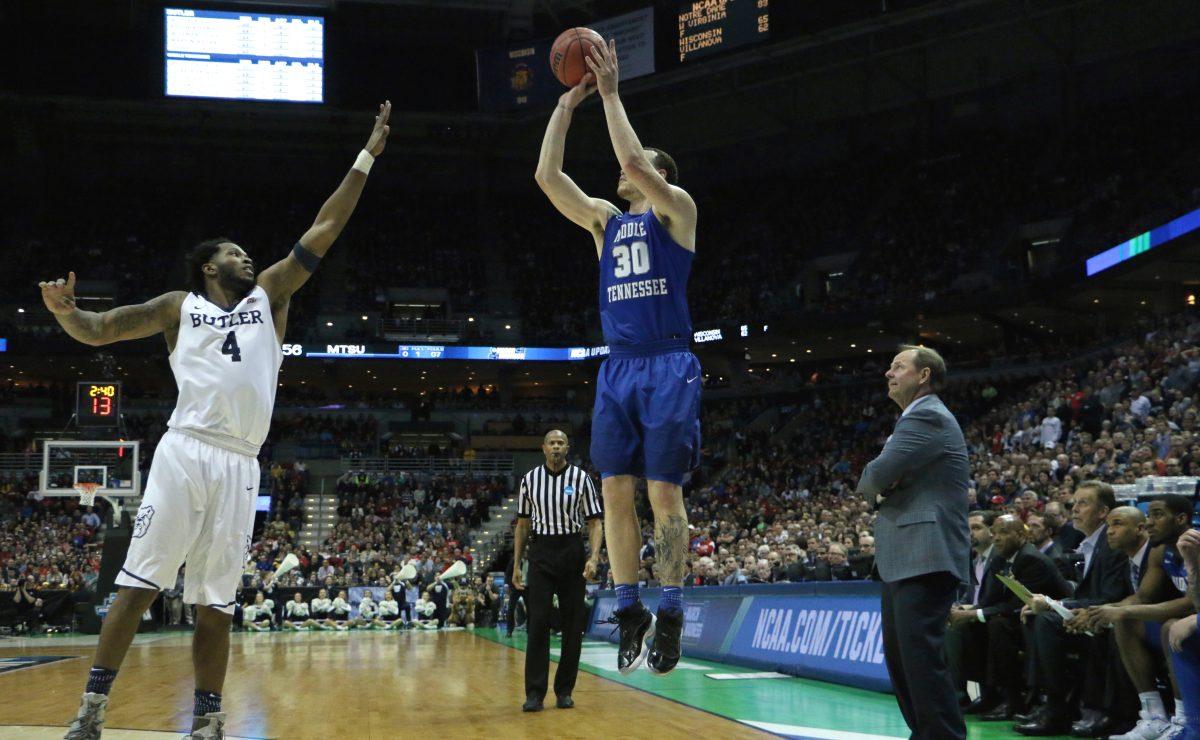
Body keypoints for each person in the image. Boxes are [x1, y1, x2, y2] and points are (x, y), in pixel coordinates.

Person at [49, 103, 391, 740]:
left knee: (216, 601)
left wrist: (366, 156)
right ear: (209, 266)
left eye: (245, 252)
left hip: (240, 461)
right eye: (234, 252)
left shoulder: (270, 296)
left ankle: (208, 719)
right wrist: (66, 312)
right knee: (138, 586)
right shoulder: (179, 307)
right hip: (185, 450)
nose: (246, 256)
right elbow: (100, 330)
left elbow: (324, 228)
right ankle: (91, 711)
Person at [535, 38, 699, 677]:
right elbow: (548, 178)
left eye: (640, 167)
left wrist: (610, 93)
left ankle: (674, 609)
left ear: (660, 175)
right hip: (619, 365)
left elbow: (630, 153)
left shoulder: (676, 212)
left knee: (664, 496)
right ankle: (630, 607)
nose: (623, 170)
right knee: (613, 491)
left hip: (667, 363)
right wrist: (566, 106)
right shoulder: (605, 220)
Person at [856, 345, 970, 740]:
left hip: (925, 553)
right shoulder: (915, 419)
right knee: (904, 662)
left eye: (898, 367)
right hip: (905, 556)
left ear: (923, 376)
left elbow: (873, 476)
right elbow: (880, 480)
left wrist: (881, 487)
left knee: (921, 661)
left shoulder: (927, 416)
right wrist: (884, 485)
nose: (889, 373)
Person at [1015, 482, 1131, 736]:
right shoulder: (1090, 542)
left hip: (1115, 619)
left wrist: (1053, 605)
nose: (1074, 509)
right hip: (1093, 616)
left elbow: (1109, 597)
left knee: (1046, 619)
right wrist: (1053, 605)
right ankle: (1045, 701)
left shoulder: (1111, 544)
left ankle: (1059, 711)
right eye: (1073, 503)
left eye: (1083, 503)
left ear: (1103, 512)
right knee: (1034, 617)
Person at [1082, 496, 1195, 739]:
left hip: (1191, 623)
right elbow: (1143, 597)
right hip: (1186, 624)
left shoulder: (1195, 545)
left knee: (1168, 627)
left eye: (1157, 515)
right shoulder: (1160, 550)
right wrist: (1102, 612)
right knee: (1126, 623)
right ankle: (1153, 715)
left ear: (1181, 519)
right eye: (1148, 515)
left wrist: (1123, 610)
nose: (1149, 522)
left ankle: (1185, 719)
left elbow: (1191, 602)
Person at [512, 430, 603, 711]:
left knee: (573, 624)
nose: (555, 447)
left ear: (567, 448)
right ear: (543, 448)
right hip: (541, 553)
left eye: (560, 443)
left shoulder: (581, 478)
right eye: (551, 443)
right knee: (537, 623)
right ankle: (534, 694)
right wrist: (516, 564)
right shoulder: (529, 480)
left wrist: (594, 556)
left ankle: (564, 690)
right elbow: (523, 525)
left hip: (571, 551)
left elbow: (595, 522)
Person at [949, 515, 1071, 721]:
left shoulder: (1032, 559)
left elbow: (1017, 606)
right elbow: (990, 600)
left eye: (1004, 533)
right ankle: (989, 695)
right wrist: (966, 612)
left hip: (1048, 621)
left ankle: (1013, 700)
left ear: (1022, 535)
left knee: (998, 625)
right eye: (994, 533)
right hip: (1020, 620)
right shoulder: (999, 558)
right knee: (968, 626)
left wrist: (973, 613)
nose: (996, 538)